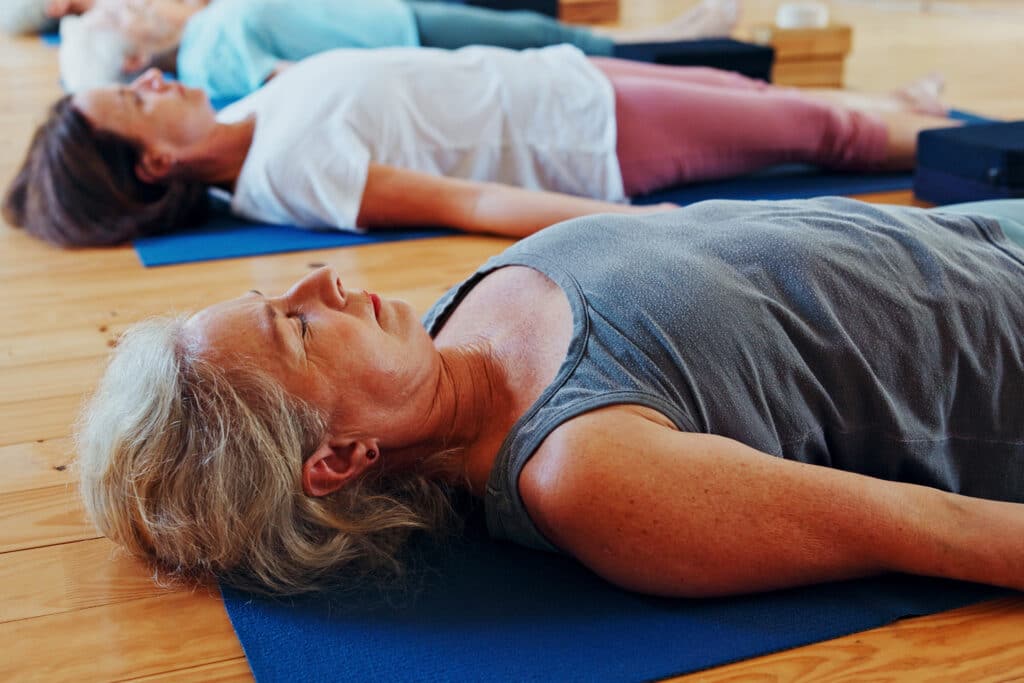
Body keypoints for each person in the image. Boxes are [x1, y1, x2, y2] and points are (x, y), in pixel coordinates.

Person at [76, 195, 1024, 596]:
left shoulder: (449, 320)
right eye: (297, 326)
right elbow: (939, 529)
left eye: (278, 294)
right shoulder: (586, 470)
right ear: (338, 457)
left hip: (977, 230)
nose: (319, 280)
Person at [4, 44, 952, 246]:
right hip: (590, 138)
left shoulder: (250, 111)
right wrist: (638, 223)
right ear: (154, 162)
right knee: (826, 132)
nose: (151, 76)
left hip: (560, 78)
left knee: (762, 95)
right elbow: (467, 203)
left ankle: (913, 108)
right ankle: (970, 142)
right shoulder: (289, 173)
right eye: (134, 98)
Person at [58, 0, 740, 97]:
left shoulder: (202, 32)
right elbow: (295, 81)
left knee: (543, 33)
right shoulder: (208, 58)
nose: (135, 7)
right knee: (548, 42)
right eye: (124, 17)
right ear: (132, 59)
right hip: (403, 39)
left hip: (394, 17)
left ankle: (675, 35)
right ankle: (681, 42)